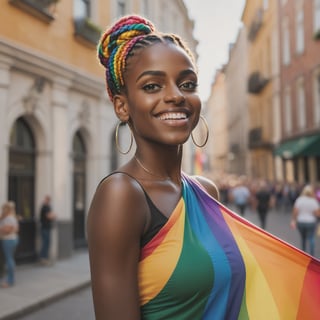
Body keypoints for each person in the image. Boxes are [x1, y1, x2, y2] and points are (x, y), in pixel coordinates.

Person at [87, 15, 320, 320]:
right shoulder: (121, 195)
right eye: (152, 85)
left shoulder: (205, 190)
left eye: (187, 83)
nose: (175, 95)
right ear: (122, 105)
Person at [291, 185, 320, 256]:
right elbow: (317, 213)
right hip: (311, 222)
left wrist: (293, 220)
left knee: (303, 238)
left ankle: (303, 253)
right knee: (311, 238)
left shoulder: (299, 200)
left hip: (301, 221)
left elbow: (295, 211)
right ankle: (312, 254)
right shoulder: (313, 201)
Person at [0, 201, 19, 287]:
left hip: (8, 240)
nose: (2, 210)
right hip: (12, 239)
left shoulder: (9, 218)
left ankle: (10, 280)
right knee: (9, 259)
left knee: (9, 260)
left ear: (6, 209)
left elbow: (7, 230)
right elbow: (16, 229)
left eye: (3, 209)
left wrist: (2, 229)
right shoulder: (10, 217)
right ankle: (9, 279)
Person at [39, 195, 56, 265]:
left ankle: (45, 258)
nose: (49, 201)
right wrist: (53, 216)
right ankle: (43, 258)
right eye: (48, 200)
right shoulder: (44, 207)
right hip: (45, 227)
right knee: (45, 243)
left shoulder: (48, 207)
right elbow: (49, 216)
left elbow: (51, 215)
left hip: (47, 227)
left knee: (47, 242)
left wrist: (52, 215)